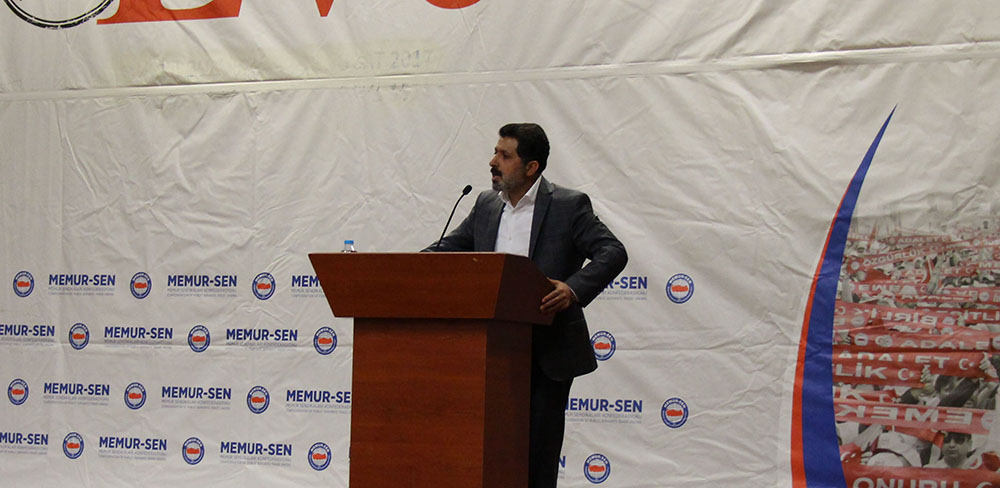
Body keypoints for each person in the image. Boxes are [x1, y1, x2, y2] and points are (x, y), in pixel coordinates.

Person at [424, 123, 627, 487]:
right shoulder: (486, 205)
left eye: (505, 155)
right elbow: (448, 249)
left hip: (546, 350)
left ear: (531, 167)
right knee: (488, 452)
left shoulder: (568, 205)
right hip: (490, 351)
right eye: (495, 152)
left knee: (536, 455)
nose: (493, 162)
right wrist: (401, 265)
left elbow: (612, 251)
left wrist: (572, 289)